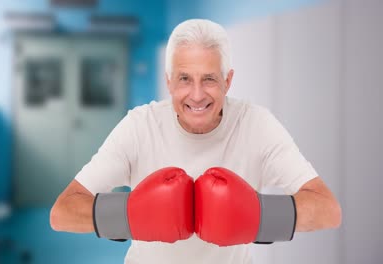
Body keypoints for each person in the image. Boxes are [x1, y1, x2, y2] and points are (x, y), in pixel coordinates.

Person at [50, 19, 341, 263]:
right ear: (168, 81)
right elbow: (62, 213)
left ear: (228, 81)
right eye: (185, 79)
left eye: (210, 79)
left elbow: (328, 211)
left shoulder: (256, 125)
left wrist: (255, 217)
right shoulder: (140, 126)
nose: (197, 95)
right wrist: (133, 215)